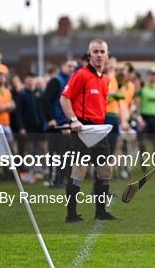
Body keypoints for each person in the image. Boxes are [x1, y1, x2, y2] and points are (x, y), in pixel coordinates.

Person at [60, 38, 116, 222]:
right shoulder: (81, 74)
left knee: (105, 170)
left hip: (100, 130)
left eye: (102, 51)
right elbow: (65, 98)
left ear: (107, 55)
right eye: (96, 51)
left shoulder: (106, 79)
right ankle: (71, 214)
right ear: (89, 54)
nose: (99, 55)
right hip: (82, 129)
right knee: (79, 171)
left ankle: (101, 212)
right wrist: (74, 120)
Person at [41, 59, 77, 188]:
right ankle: (54, 180)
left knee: (65, 154)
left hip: (65, 122)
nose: (72, 68)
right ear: (63, 66)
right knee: (56, 154)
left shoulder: (68, 81)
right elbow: (45, 100)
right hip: (56, 124)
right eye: (69, 65)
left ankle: (61, 180)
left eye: (74, 66)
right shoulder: (56, 81)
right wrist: (50, 118)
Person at [138, 67, 155, 153]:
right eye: (151, 75)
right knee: (142, 141)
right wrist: (139, 117)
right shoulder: (143, 88)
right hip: (144, 116)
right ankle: (143, 159)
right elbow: (138, 103)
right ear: (148, 76)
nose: (153, 77)